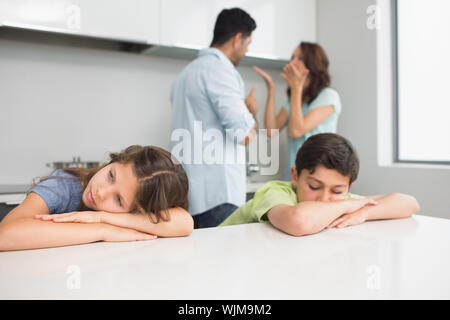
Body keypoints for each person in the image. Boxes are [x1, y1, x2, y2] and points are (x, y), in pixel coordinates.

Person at [220, 133, 420, 236]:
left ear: (348, 188)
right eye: (314, 187)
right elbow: (300, 222)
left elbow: (409, 203)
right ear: (295, 176)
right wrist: (348, 205)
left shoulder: (342, 202)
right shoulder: (274, 192)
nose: (325, 199)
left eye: (337, 190)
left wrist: (364, 213)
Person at [0, 145, 194, 251]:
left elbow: (185, 223)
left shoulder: (120, 215)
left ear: (138, 211)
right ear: (113, 161)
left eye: (119, 200)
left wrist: (103, 217)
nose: (101, 192)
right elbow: (5, 236)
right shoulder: (64, 185)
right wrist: (103, 230)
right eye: (111, 175)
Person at [170, 8, 258, 229]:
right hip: (219, 196)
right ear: (238, 38)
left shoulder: (185, 74)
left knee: (199, 261)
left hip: (188, 197)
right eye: (248, 44)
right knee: (224, 262)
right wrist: (252, 113)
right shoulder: (221, 71)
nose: (246, 51)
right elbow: (244, 135)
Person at [253, 42, 342, 180]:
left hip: (318, 178)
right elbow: (271, 130)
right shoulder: (295, 99)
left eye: (300, 58)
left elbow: (296, 130)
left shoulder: (328, 96)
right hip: (293, 176)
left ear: (313, 64)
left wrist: (296, 88)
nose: (293, 62)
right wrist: (271, 90)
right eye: (292, 57)